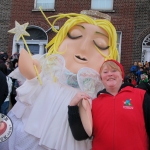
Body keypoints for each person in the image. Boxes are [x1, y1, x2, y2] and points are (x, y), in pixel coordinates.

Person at [0, 10, 119, 150]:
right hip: (40, 115)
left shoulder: (97, 89)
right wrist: (32, 73)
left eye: (100, 44)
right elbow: (31, 82)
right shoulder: (49, 71)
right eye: (74, 36)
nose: (83, 48)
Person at [68, 60, 150, 150]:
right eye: (105, 72)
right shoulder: (94, 103)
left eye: (114, 71)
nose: (110, 74)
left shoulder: (141, 96)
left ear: (122, 76)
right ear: (101, 78)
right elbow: (80, 135)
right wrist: (73, 106)